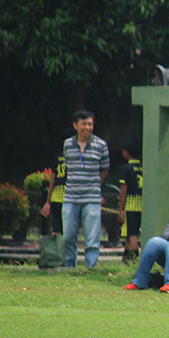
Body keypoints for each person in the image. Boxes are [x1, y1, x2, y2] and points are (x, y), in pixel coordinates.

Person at [61, 110, 111, 268]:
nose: (88, 127)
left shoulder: (101, 145)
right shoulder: (67, 144)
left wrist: (94, 184)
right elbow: (68, 167)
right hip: (70, 197)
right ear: (75, 125)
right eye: (84, 124)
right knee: (68, 236)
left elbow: (105, 169)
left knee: (92, 239)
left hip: (92, 198)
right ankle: (69, 266)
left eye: (90, 124)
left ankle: (90, 268)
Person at [118, 138, 143, 262]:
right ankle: (127, 256)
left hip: (131, 205)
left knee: (131, 233)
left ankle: (133, 259)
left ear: (126, 152)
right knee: (135, 232)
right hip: (142, 204)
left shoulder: (126, 168)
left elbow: (124, 189)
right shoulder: (143, 167)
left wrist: (121, 209)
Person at [40, 150, 67, 236]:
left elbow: (52, 180)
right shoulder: (74, 159)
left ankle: (55, 246)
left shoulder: (57, 158)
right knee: (66, 228)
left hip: (56, 197)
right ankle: (65, 247)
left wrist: (48, 201)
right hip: (68, 197)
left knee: (56, 226)